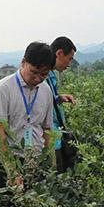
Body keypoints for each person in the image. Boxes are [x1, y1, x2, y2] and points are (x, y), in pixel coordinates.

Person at [0, 42, 55, 187]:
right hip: (12, 160)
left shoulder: (46, 91)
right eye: (34, 72)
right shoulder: (3, 89)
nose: (38, 78)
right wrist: (11, 169)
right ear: (23, 62)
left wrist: (51, 160)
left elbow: (47, 129)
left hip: (37, 161)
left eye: (43, 74)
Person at [46, 36, 77, 172]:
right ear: (59, 54)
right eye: (69, 58)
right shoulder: (42, 76)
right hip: (51, 141)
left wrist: (59, 98)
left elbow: (48, 99)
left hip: (58, 136)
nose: (69, 63)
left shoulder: (50, 75)